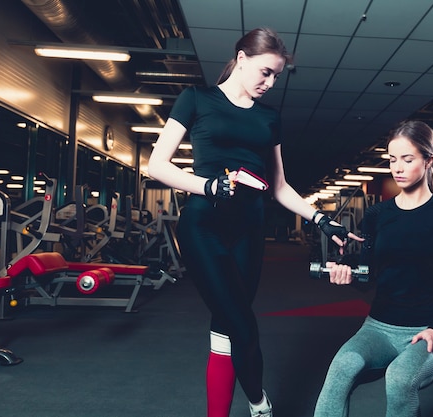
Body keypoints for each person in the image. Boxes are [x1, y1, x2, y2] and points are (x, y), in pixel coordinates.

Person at [147, 27, 361, 417]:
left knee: (227, 326)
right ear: (241, 59)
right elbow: (157, 165)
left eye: (277, 75)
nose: (270, 82)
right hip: (203, 226)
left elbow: (279, 186)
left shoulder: (268, 118)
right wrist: (208, 185)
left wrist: (321, 219)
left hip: (248, 230)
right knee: (242, 322)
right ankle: (260, 405)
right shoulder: (197, 99)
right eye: (265, 72)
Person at [313, 120, 433, 417]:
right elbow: (367, 277)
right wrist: (346, 275)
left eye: (407, 159)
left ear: (428, 161)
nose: (397, 168)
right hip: (378, 328)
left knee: (400, 379)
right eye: (392, 160)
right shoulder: (377, 215)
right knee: (341, 369)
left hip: (429, 329)